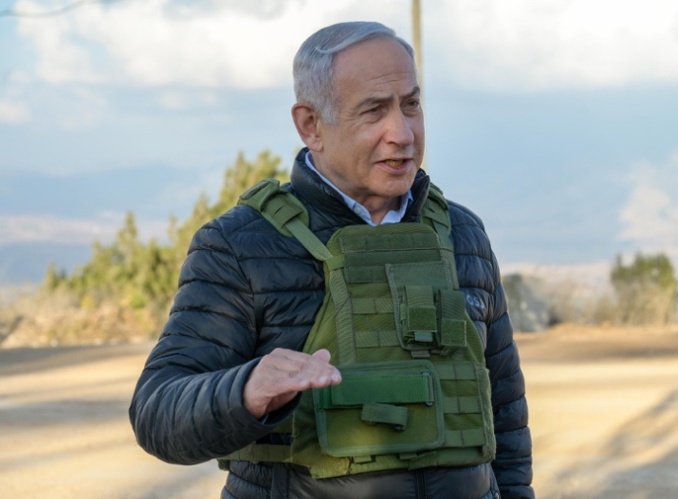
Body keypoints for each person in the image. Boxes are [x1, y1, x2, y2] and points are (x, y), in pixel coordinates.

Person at [130, 21, 534, 499]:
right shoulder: (241, 245)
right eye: (374, 111)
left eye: (410, 104)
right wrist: (244, 390)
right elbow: (157, 412)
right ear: (311, 125)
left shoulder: (462, 234)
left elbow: (505, 416)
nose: (402, 133)